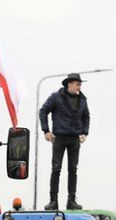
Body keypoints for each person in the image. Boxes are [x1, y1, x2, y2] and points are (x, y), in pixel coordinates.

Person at [39, 73, 91, 211]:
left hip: (75, 139)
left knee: (73, 170)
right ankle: (53, 201)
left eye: (80, 84)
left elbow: (86, 116)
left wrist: (85, 132)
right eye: (77, 83)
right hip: (59, 137)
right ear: (69, 84)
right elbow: (43, 111)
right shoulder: (56, 97)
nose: (79, 86)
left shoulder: (82, 100)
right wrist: (46, 131)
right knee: (56, 168)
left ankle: (71, 200)